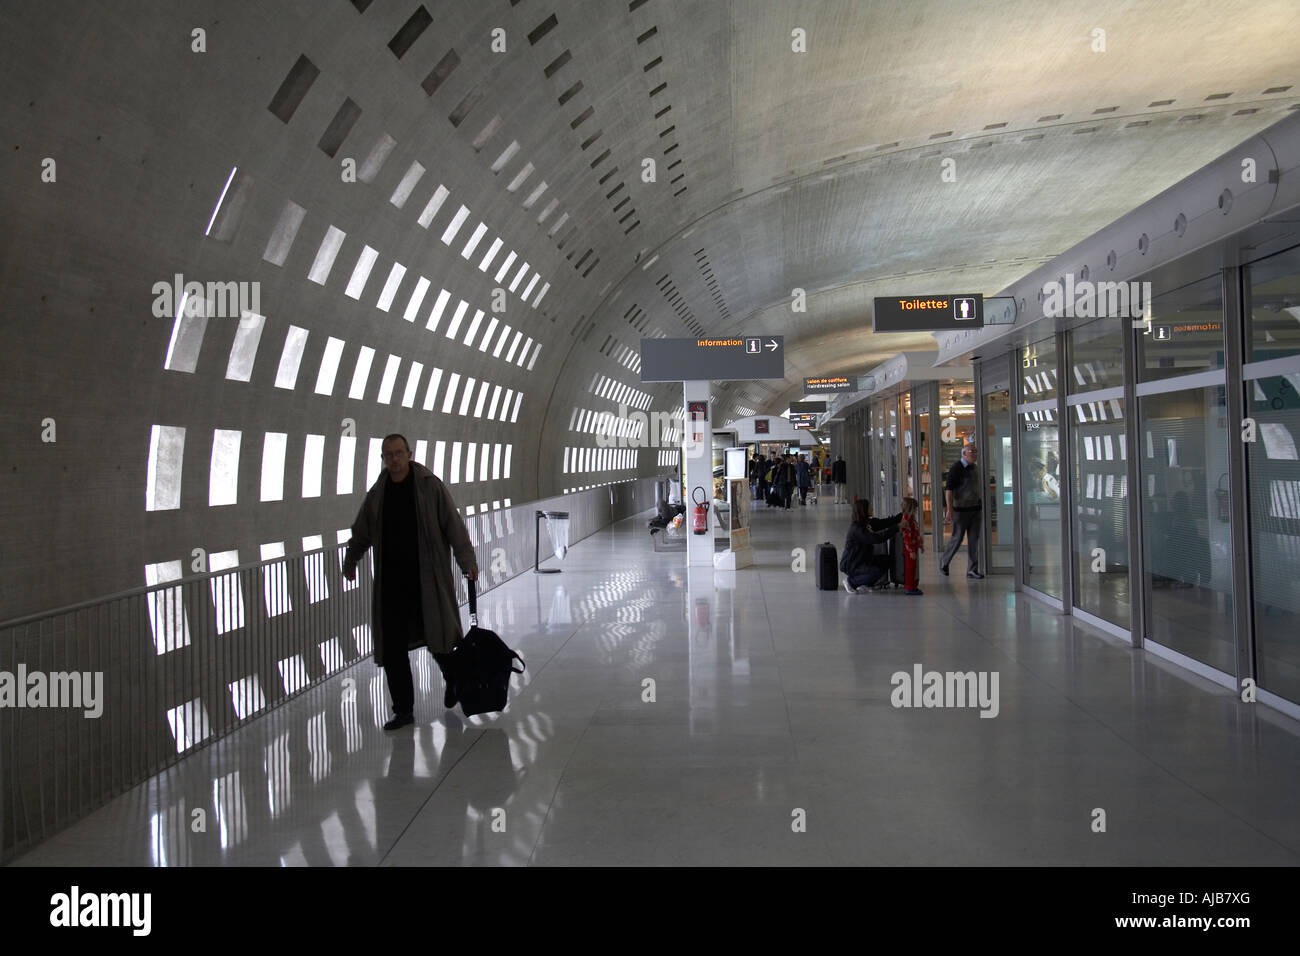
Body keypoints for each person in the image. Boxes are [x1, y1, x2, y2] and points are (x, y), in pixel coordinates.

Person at [342, 434, 479, 730]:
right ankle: (403, 710)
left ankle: (452, 678)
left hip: (425, 578)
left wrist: (467, 560)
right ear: (383, 458)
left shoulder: (429, 486)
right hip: (391, 584)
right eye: (388, 454)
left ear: (409, 454)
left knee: (437, 636)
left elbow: (452, 525)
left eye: (398, 453)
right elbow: (362, 530)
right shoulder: (378, 493)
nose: (393, 459)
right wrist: (351, 559)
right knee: (393, 648)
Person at [941, 442, 983, 578]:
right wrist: (950, 509)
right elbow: (949, 490)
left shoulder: (975, 468)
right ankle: (944, 562)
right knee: (957, 538)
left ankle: (972, 569)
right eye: (972, 451)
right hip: (961, 510)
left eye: (975, 451)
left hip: (975, 509)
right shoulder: (956, 468)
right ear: (964, 453)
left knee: (973, 540)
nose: (975, 454)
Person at [841, 500, 903, 592]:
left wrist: (903, 513)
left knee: (887, 560)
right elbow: (877, 538)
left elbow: (885, 522)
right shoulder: (857, 529)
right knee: (875, 571)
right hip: (852, 564)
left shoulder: (867, 523)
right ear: (863, 510)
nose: (872, 508)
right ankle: (851, 582)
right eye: (869, 507)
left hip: (863, 560)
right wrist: (896, 528)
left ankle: (865, 583)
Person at [900, 496, 923, 595]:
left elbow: (916, 534)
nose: (916, 511)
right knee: (910, 568)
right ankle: (909, 587)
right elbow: (907, 537)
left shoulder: (911, 519)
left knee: (913, 568)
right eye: (915, 509)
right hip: (909, 549)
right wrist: (911, 550)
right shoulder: (906, 520)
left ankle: (913, 585)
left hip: (913, 547)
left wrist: (920, 545)